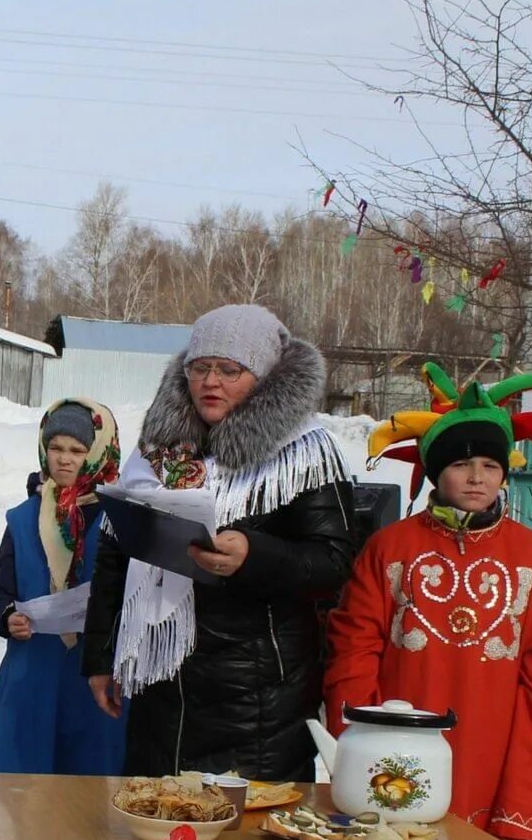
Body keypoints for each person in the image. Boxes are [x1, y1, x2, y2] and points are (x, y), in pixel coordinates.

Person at [81, 305, 355, 781]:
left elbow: (333, 563)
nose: (211, 381)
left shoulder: (303, 449)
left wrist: (254, 556)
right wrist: (101, 658)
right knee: (160, 829)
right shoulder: (156, 449)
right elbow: (115, 557)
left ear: (265, 376)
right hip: (161, 681)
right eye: (200, 368)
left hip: (258, 697)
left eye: (230, 370)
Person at [323, 365, 532, 840]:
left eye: (490, 465)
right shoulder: (390, 547)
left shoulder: (531, 556)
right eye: (462, 464)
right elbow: (354, 650)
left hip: (492, 742)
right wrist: (357, 742)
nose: (477, 477)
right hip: (398, 746)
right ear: (436, 470)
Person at [0, 398, 125, 840]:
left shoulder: (120, 517)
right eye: (55, 447)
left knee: (90, 783)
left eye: (78, 449)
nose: (64, 459)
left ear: (98, 453)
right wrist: (7, 617)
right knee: (26, 783)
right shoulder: (21, 518)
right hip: (33, 671)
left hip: (95, 673)